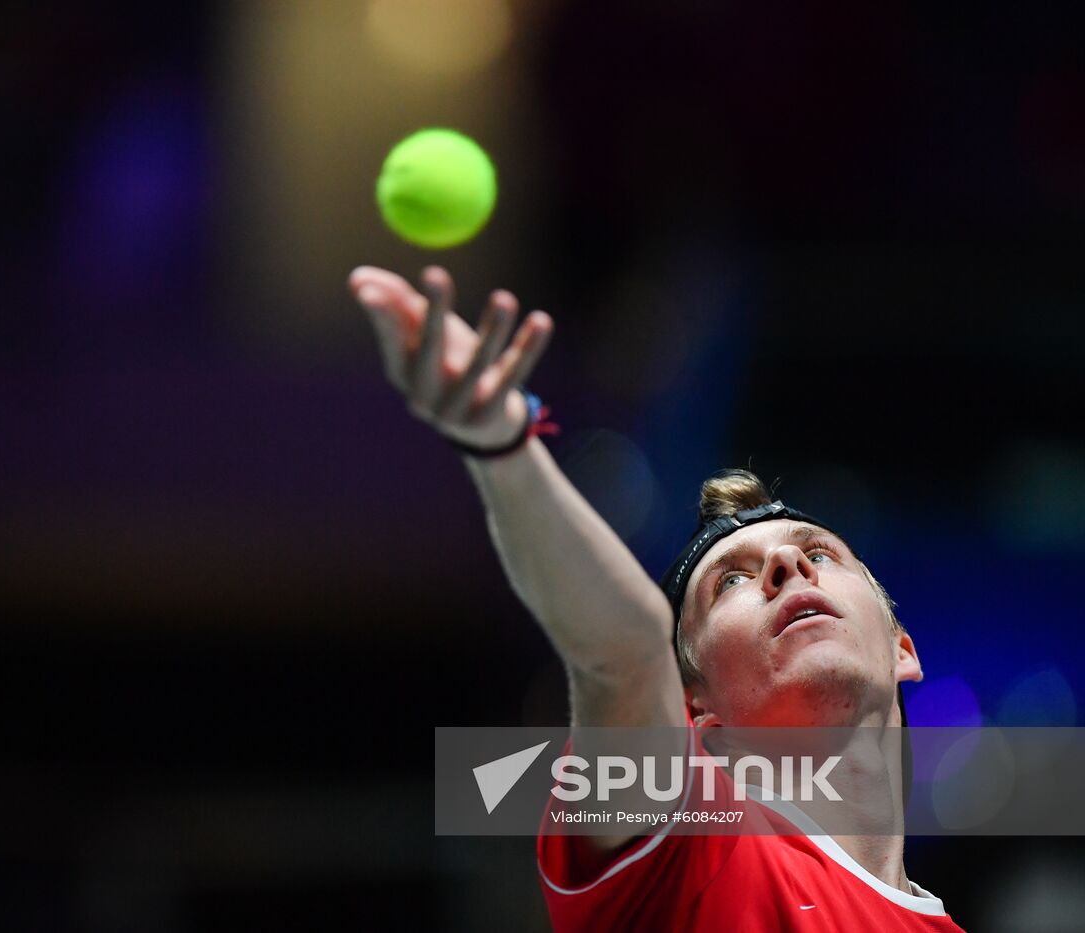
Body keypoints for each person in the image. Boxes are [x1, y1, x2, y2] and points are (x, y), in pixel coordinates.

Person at [348, 264, 966, 931]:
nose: (788, 562)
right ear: (694, 709)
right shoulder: (696, 849)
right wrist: (503, 450)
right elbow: (624, 653)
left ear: (903, 648)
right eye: (730, 580)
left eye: (821, 553)